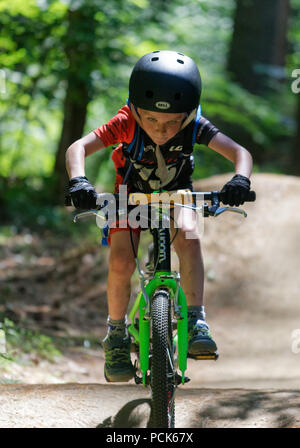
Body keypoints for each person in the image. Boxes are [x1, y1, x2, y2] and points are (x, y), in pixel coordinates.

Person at [65, 50, 253, 382]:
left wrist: (240, 178)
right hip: (130, 194)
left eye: (171, 122)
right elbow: (77, 148)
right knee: (121, 260)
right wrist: (79, 179)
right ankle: (117, 334)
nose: (161, 130)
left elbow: (240, 153)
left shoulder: (194, 126)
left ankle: (196, 319)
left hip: (177, 193)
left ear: (189, 114)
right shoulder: (125, 122)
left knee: (191, 239)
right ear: (136, 109)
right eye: (150, 120)